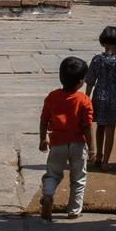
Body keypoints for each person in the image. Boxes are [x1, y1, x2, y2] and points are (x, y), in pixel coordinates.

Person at [38, 56, 96, 222]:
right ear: (80, 82)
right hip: (78, 144)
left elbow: (43, 120)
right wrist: (92, 149)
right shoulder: (84, 100)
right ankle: (74, 210)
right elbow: (87, 126)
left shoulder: (52, 97)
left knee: (52, 174)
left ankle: (48, 194)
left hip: (57, 143)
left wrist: (43, 139)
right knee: (78, 177)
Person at [85, 26, 116, 170]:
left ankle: (99, 156)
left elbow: (90, 79)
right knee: (111, 130)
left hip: (99, 95)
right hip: (115, 96)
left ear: (102, 42)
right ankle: (106, 162)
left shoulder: (97, 60)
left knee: (100, 127)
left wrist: (86, 97)